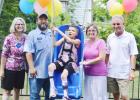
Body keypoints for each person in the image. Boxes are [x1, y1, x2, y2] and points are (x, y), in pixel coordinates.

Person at [106, 15, 138, 100]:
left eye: (118, 24)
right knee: (115, 95)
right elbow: (107, 54)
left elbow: (133, 54)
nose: (116, 26)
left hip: (124, 72)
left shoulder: (130, 37)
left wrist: (132, 70)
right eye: (114, 24)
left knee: (124, 96)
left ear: (123, 24)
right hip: (111, 72)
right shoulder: (110, 37)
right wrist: (105, 68)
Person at [24, 13, 53, 100]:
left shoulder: (52, 33)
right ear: (37, 21)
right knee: (35, 96)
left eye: (45, 19)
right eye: (41, 19)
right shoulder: (32, 34)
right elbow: (28, 52)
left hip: (51, 73)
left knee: (51, 96)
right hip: (36, 72)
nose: (43, 21)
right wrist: (31, 68)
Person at [48, 26, 80, 100]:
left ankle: (65, 95)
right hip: (62, 61)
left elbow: (71, 41)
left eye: (73, 31)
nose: (70, 31)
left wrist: (58, 30)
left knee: (63, 75)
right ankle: (53, 89)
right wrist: (53, 34)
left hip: (71, 63)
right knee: (50, 66)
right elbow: (54, 44)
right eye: (69, 30)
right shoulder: (64, 39)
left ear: (76, 34)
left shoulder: (77, 41)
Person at [0, 17, 27, 100]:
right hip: (9, 68)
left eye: (22, 24)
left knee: (17, 90)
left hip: (21, 69)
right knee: (7, 91)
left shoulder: (26, 37)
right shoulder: (9, 38)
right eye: (18, 24)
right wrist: (1, 70)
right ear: (14, 26)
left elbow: (28, 53)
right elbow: (4, 55)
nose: (20, 26)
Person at [82, 23, 108, 100]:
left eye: (93, 30)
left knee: (99, 96)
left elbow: (102, 58)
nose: (91, 32)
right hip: (87, 74)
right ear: (86, 32)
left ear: (97, 32)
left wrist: (87, 62)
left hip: (99, 74)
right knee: (89, 96)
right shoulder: (85, 43)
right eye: (89, 30)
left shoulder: (101, 42)